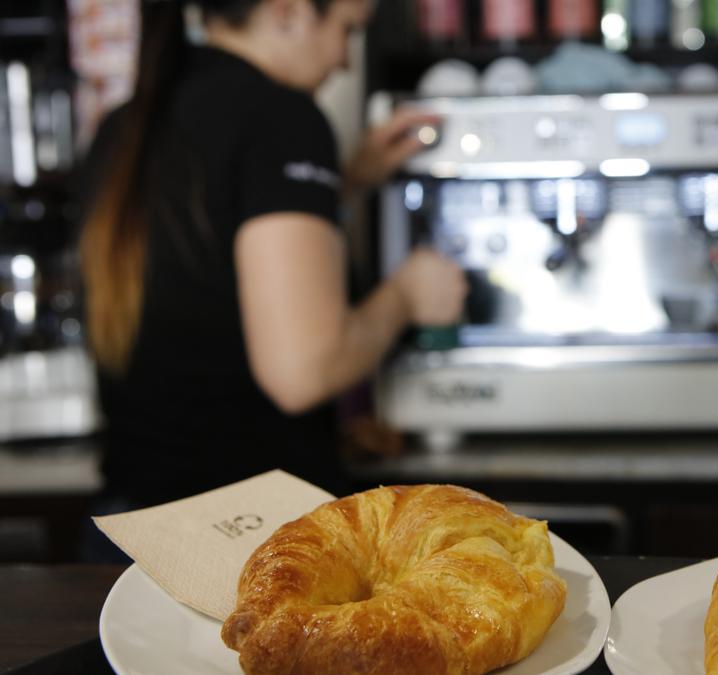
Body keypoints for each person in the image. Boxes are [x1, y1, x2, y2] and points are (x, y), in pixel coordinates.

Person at [77, 0, 466, 533]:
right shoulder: (282, 117)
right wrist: (407, 295)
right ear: (289, 12)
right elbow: (302, 373)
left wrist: (345, 181)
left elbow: (204, 263)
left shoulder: (124, 126)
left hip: (134, 528)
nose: (345, 62)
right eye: (347, 31)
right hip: (246, 536)